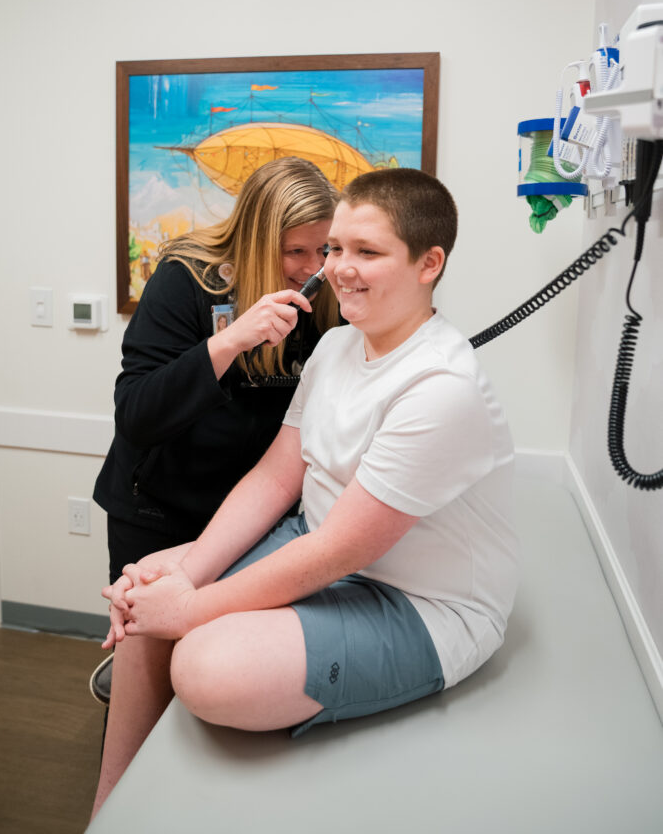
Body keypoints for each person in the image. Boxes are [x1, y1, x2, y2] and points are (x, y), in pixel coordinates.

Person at [91, 168, 519, 819]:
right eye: (334, 249)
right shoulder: (338, 345)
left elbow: (342, 548)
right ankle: (108, 811)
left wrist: (191, 609)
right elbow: (274, 477)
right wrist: (183, 575)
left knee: (204, 664)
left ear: (428, 263)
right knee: (152, 580)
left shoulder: (440, 385)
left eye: (364, 252)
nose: (337, 269)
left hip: (417, 602)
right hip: (321, 550)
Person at [90, 157, 339, 701]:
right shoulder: (186, 278)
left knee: (212, 670)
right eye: (294, 251)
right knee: (147, 683)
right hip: (157, 508)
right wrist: (227, 344)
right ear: (255, 237)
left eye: (324, 249)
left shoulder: (326, 295)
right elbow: (136, 413)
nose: (310, 266)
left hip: (249, 517)